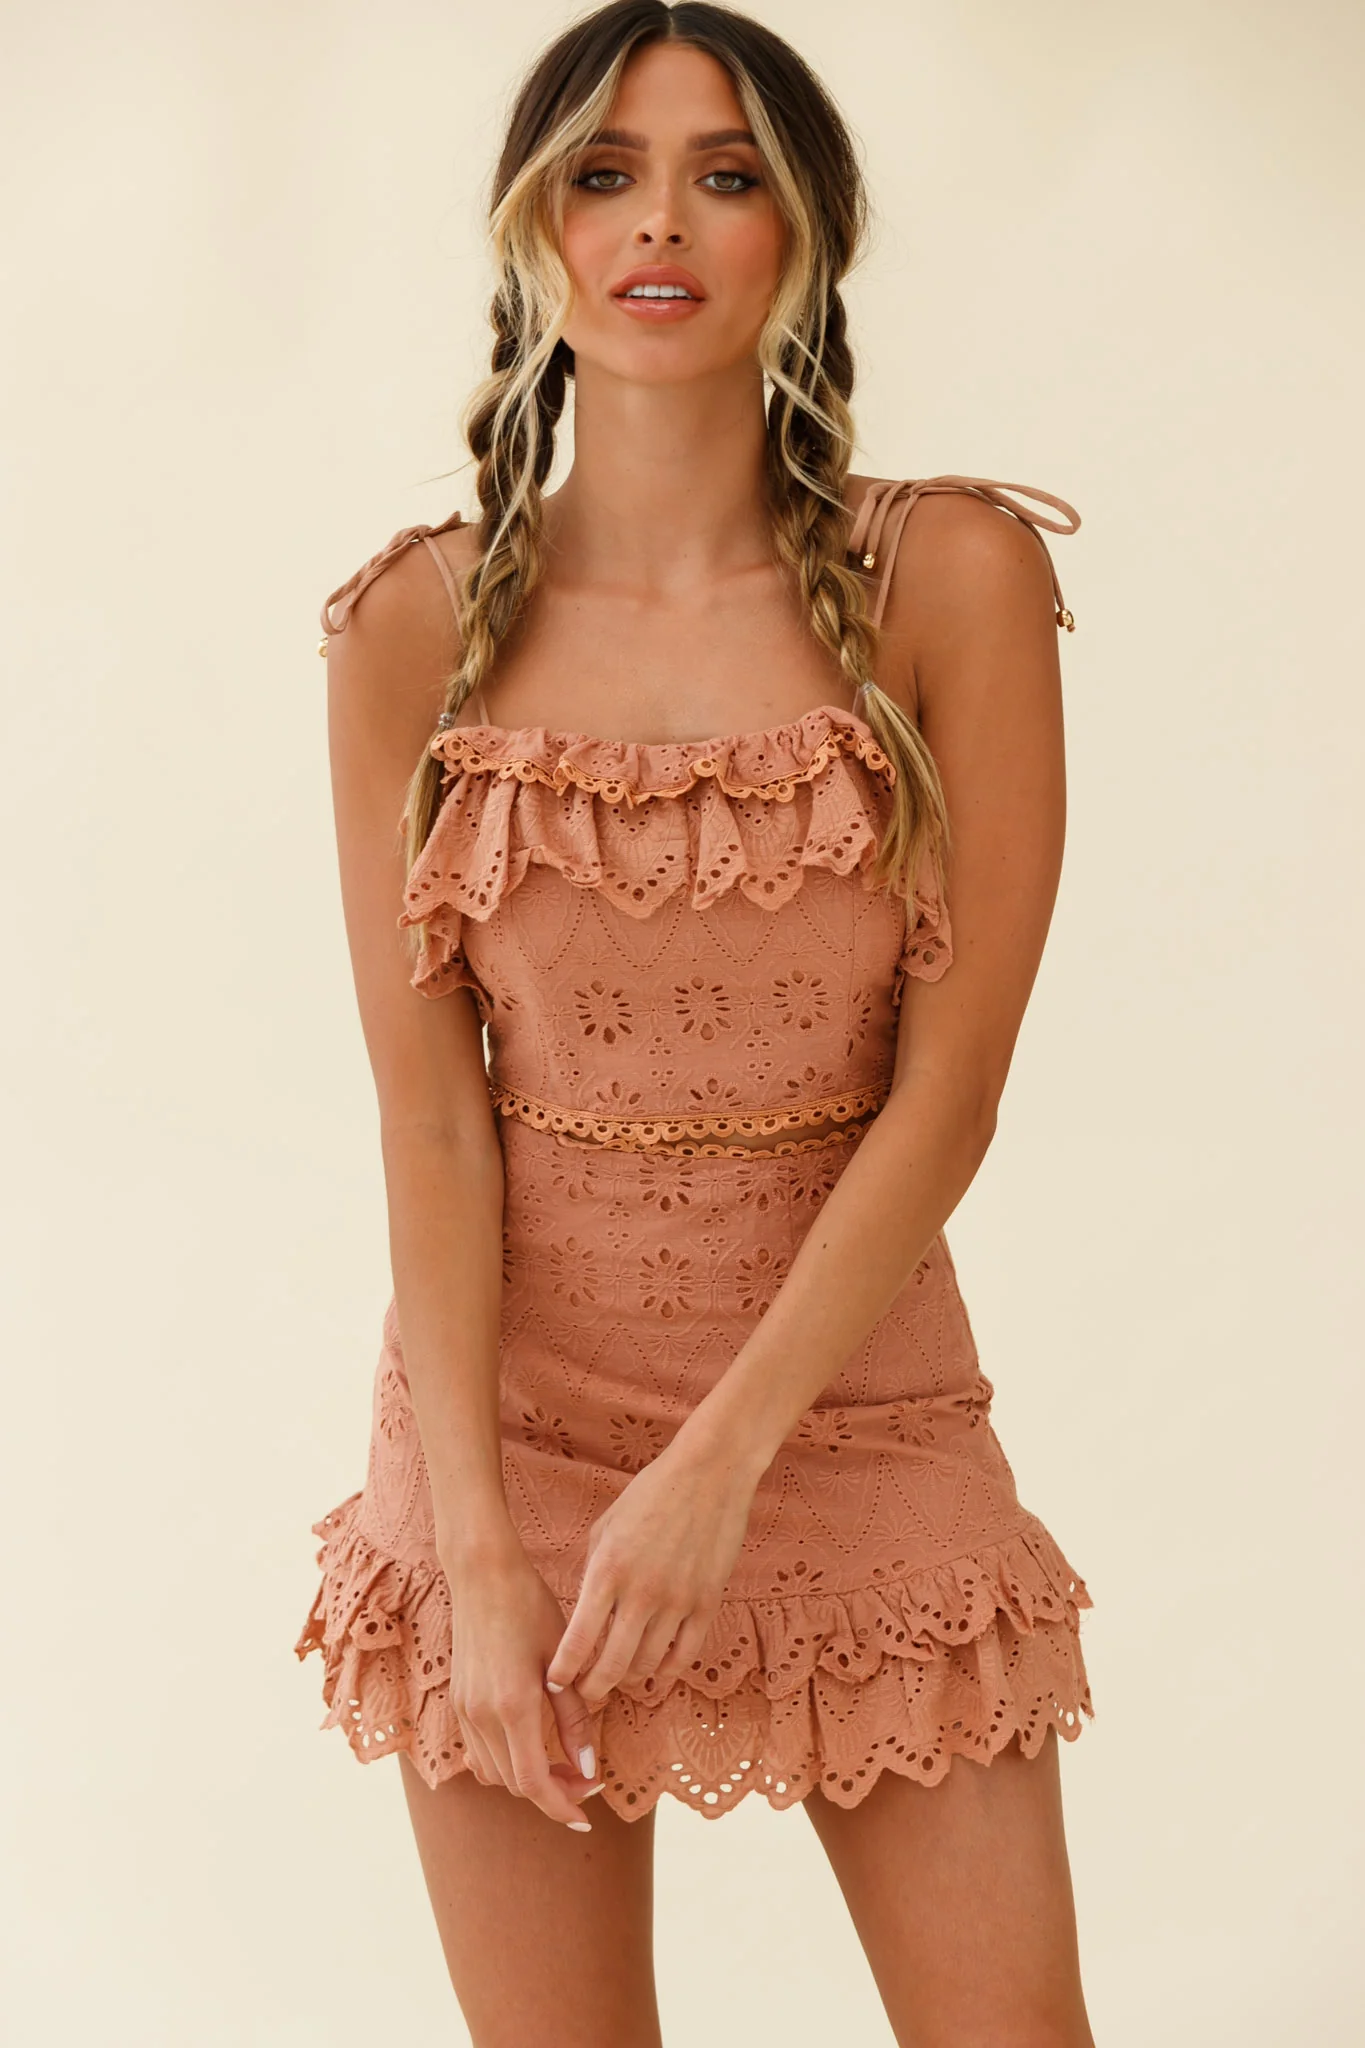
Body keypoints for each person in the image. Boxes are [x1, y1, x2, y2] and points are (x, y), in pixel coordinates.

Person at [294, 4, 1096, 2042]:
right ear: (533, 228)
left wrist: (722, 1462)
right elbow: (432, 1120)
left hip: (850, 1412)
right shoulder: (408, 625)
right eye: (605, 172)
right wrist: (479, 1553)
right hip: (504, 1444)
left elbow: (951, 1093)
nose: (660, 221)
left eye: (725, 175)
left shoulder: (951, 576)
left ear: (806, 234)